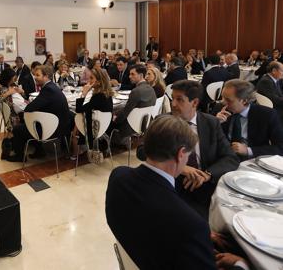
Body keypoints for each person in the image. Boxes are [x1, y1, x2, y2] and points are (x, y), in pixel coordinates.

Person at [106, 115, 217, 270]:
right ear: (180, 154)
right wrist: (240, 264)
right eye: (188, 155)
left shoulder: (118, 176)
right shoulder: (192, 225)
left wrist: (197, 240)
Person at [165, 80, 239, 218]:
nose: (173, 104)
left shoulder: (211, 123)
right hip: (172, 184)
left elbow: (230, 157)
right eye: (172, 99)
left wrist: (207, 174)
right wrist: (181, 168)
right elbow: (143, 151)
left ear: (194, 103)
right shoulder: (163, 121)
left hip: (205, 186)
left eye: (179, 100)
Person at [10, 65, 70, 162]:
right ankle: (39, 150)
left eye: (38, 75)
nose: (35, 77)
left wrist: (33, 104)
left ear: (46, 76)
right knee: (33, 122)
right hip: (61, 125)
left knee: (18, 129)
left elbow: (29, 108)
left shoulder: (48, 89)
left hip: (54, 129)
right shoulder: (52, 86)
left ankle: (20, 157)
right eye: (35, 75)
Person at [216, 79, 283, 159]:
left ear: (244, 101)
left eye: (228, 100)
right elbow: (206, 141)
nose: (223, 102)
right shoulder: (220, 108)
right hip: (223, 158)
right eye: (222, 98)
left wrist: (248, 150)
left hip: (252, 160)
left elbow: (280, 148)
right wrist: (215, 123)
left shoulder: (267, 115)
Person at [72, 68, 113, 157]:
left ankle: (76, 153)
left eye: (91, 78)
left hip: (95, 129)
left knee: (73, 121)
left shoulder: (98, 96)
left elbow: (79, 109)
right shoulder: (107, 94)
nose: (88, 81)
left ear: (98, 81)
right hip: (105, 127)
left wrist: (83, 94)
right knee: (77, 120)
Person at [110, 64, 156, 139]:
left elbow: (125, 112)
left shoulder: (136, 91)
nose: (129, 76)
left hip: (131, 126)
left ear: (141, 75)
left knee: (110, 120)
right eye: (129, 74)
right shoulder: (151, 89)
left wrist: (115, 119)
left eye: (132, 74)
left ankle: (105, 146)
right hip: (144, 124)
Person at [0, 68, 24, 159]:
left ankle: (23, 143)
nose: (13, 80)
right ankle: (16, 147)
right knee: (20, 124)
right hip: (9, 112)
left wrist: (22, 92)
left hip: (18, 108)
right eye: (12, 78)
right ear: (7, 77)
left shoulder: (13, 84)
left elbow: (22, 97)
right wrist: (8, 93)